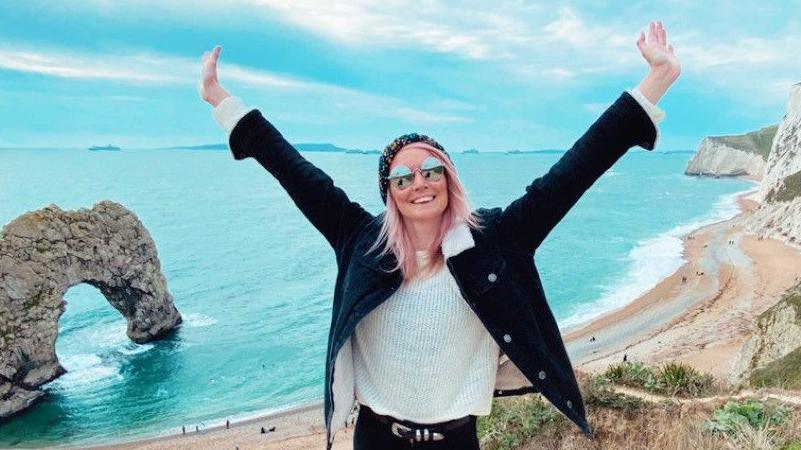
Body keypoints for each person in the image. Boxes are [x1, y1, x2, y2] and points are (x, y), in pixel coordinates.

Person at [200, 20, 680, 450]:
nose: (419, 184)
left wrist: (656, 80)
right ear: (389, 193)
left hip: (456, 440)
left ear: (450, 177)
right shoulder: (360, 241)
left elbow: (574, 171)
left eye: (431, 170)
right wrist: (223, 102)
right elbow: (293, 170)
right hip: (375, 439)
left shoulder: (497, 240)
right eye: (402, 178)